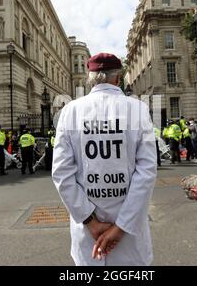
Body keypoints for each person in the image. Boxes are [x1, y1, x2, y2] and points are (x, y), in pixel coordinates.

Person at [52, 53, 157, 266]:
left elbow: (62, 173)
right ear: (118, 78)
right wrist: (121, 227)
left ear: (90, 79)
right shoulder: (138, 109)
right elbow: (146, 172)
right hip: (129, 237)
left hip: (88, 236)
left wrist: (91, 223)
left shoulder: (70, 111)